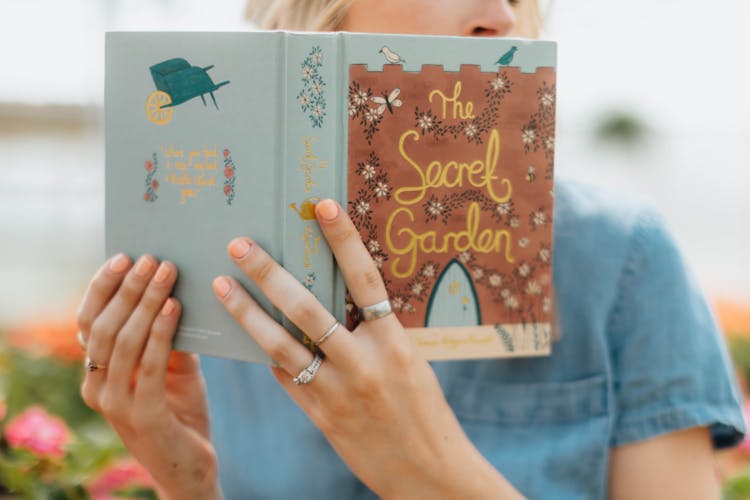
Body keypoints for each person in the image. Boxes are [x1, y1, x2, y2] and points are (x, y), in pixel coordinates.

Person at [75, 1, 745, 498]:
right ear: (321, 16)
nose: (501, 18)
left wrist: (426, 469)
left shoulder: (620, 259)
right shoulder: (232, 269)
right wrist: (191, 485)